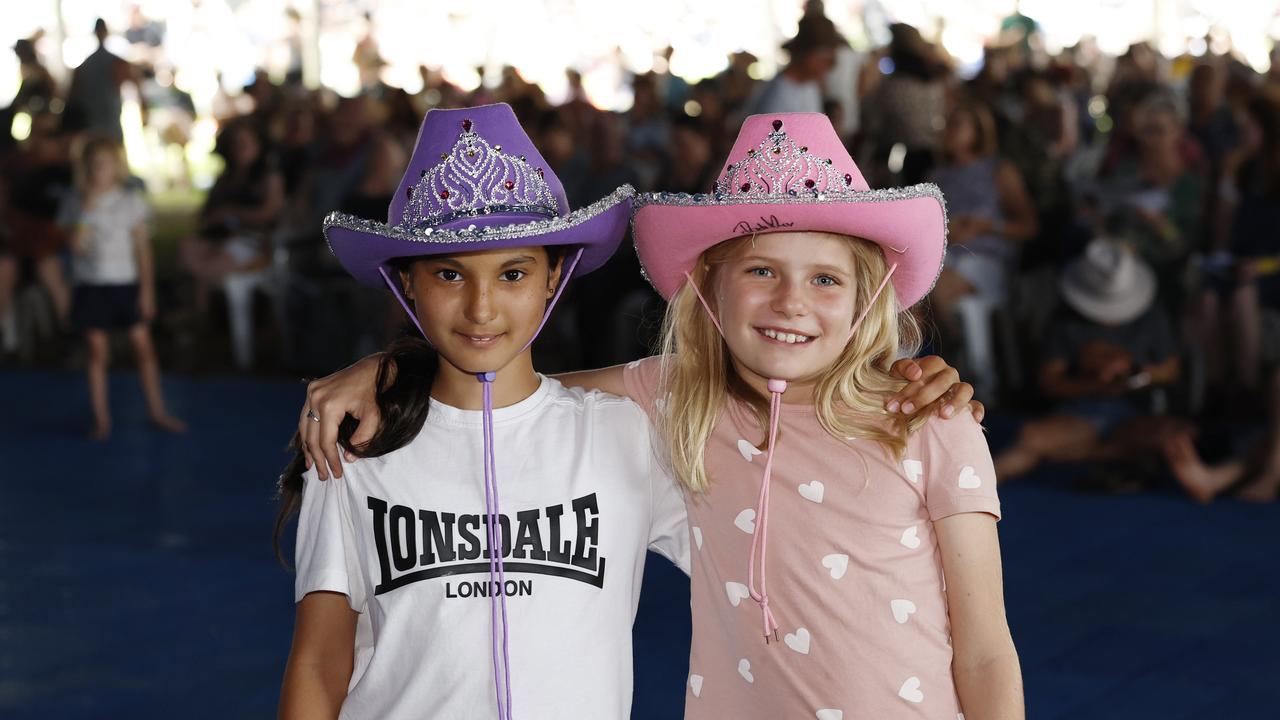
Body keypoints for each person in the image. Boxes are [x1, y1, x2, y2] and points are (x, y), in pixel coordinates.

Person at [294, 113, 1006, 719]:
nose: (791, 302)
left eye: (824, 278)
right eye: (761, 270)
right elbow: (515, 390)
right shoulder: (671, 406)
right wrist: (398, 370)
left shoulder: (924, 421)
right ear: (709, 287)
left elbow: (985, 649)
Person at [276, 103, 686, 720]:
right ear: (407, 284)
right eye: (449, 274)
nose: (482, 308)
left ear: (554, 277)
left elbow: (769, 489)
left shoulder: (626, 435)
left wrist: (884, 385)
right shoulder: (356, 445)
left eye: (513, 273)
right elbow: (318, 661)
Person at [994, 239, 1185, 482]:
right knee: (1030, 438)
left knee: (1177, 438)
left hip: (1139, 411)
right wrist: (1098, 387)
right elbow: (1050, 381)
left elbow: (1171, 370)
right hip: (1082, 413)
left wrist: (1136, 375)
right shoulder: (1066, 320)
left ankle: (1083, 454)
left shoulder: (1151, 315)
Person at [59, 137, 185, 439]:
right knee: (97, 353)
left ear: (117, 167)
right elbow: (75, 247)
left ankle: (157, 410)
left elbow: (143, 250)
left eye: (103, 164)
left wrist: (147, 290)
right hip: (91, 286)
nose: (97, 170)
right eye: (92, 165)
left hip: (126, 284)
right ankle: (101, 418)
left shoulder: (131, 202)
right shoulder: (74, 202)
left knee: (144, 348)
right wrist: (86, 212)